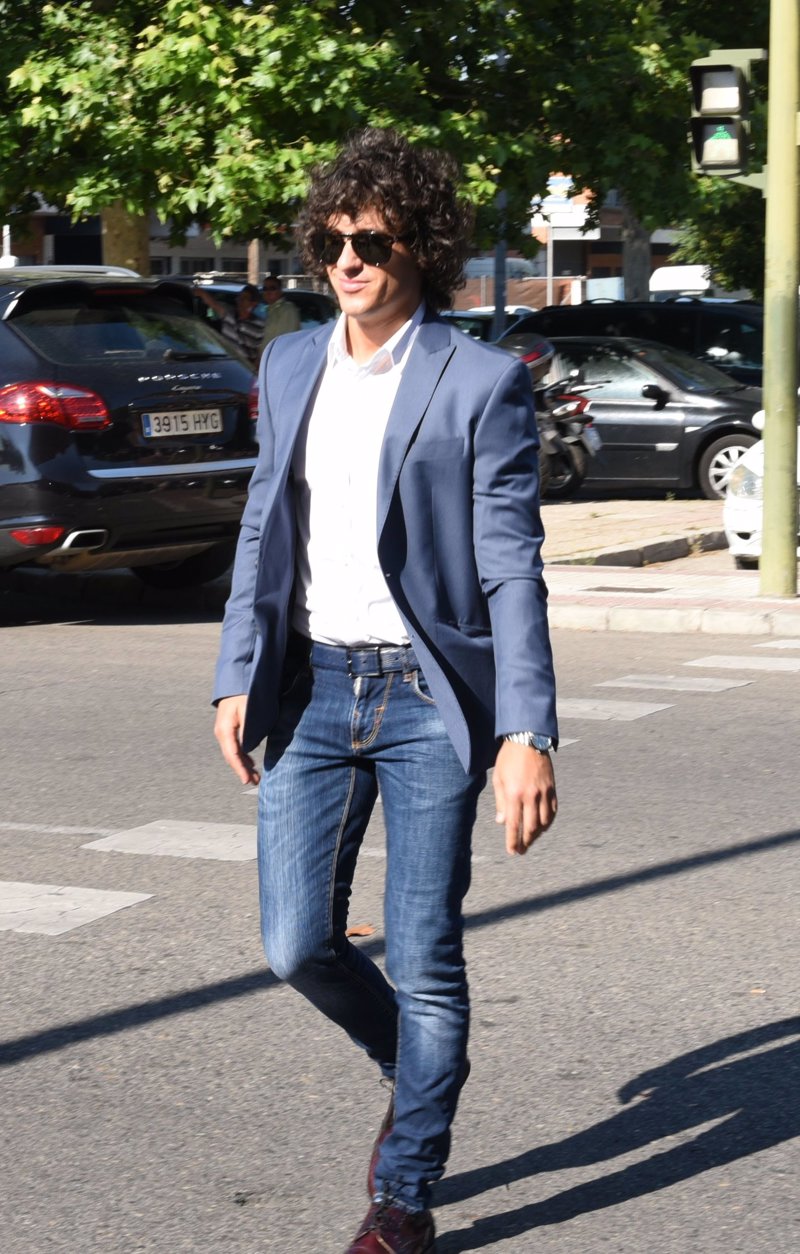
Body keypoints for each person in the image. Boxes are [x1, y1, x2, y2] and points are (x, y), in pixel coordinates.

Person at [213, 126, 558, 1254]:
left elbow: (510, 566)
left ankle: (403, 1197)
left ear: (423, 247)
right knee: (295, 944)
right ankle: (414, 1069)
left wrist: (526, 731)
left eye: (370, 239)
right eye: (330, 242)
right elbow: (264, 524)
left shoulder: (479, 381)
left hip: (425, 698)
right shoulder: (288, 364)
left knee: (423, 956)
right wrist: (235, 673)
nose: (347, 260)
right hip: (312, 686)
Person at [196, 282, 264, 367]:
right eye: (239, 297)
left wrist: (252, 369)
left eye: (244, 298)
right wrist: (199, 292)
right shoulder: (229, 314)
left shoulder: (260, 326)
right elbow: (212, 303)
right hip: (227, 365)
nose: (240, 301)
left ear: (253, 303)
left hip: (246, 369)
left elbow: (261, 354)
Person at [259, 272, 301, 349]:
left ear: (280, 291)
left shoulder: (288, 309)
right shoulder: (265, 310)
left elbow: (285, 342)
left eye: (272, 288)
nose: (268, 292)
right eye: (265, 289)